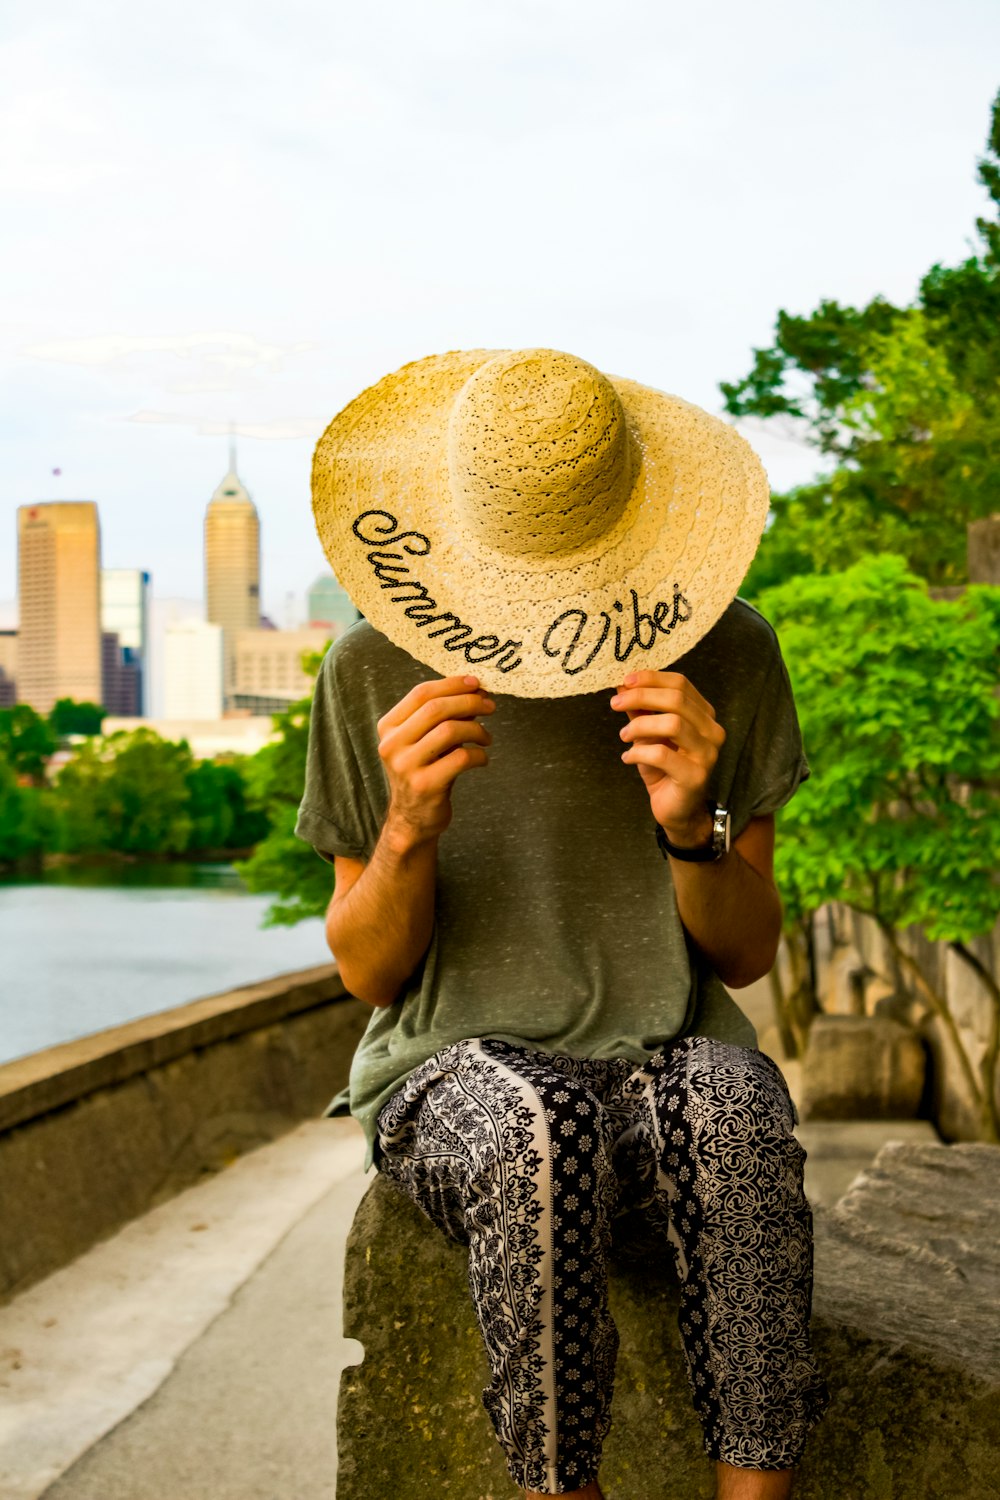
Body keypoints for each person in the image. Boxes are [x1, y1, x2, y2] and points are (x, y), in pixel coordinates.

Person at [294, 348, 829, 1498]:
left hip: (662, 1054)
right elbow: (369, 976)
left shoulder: (728, 652)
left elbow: (742, 953)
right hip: (453, 1073)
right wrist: (405, 830)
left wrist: (693, 818)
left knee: (738, 1105)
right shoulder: (371, 667)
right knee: (534, 1125)